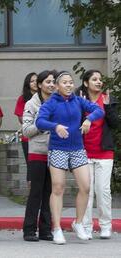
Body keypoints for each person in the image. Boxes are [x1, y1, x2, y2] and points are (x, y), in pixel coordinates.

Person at [35, 71, 104, 244]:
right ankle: (57, 228)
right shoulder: (51, 103)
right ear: (57, 86)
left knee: (86, 187)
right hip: (58, 149)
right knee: (58, 187)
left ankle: (78, 223)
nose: (68, 85)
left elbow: (98, 110)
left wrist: (89, 120)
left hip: (77, 149)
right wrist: (55, 126)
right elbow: (40, 121)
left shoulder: (78, 100)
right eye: (64, 83)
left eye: (70, 82)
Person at [79, 70, 118, 239]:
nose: (99, 82)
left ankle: (105, 225)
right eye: (94, 79)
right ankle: (86, 227)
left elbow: (115, 124)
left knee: (103, 191)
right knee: (86, 191)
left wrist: (108, 107)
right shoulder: (80, 100)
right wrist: (79, 105)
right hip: (84, 152)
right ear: (86, 83)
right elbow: (73, 122)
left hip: (104, 152)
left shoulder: (107, 99)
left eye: (100, 79)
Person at [21, 70, 56, 242]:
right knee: (36, 192)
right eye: (48, 82)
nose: (51, 84)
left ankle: (45, 229)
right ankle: (29, 230)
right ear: (40, 85)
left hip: (56, 153)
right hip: (37, 152)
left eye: (53, 82)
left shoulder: (58, 102)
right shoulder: (31, 104)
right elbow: (26, 131)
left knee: (50, 193)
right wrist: (42, 123)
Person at [15, 72, 38, 181]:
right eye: (31, 81)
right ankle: (31, 194)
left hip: (45, 137)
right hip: (28, 137)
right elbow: (20, 118)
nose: (34, 83)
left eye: (36, 80)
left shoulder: (47, 97)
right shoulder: (23, 99)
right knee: (31, 166)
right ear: (27, 84)